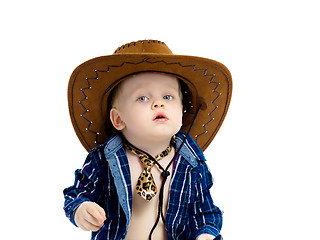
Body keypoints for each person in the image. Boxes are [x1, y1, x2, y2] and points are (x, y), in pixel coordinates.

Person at [63, 40, 232, 240]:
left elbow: (203, 211)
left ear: (182, 111)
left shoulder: (191, 162)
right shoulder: (104, 160)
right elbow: (77, 193)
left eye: (168, 97)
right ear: (118, 119)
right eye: (142, 98)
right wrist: (81, 209)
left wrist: (205, 234)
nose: (158, 103)